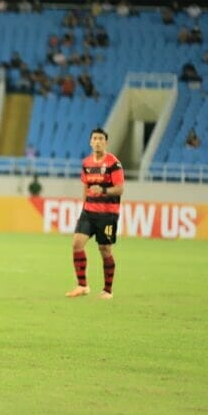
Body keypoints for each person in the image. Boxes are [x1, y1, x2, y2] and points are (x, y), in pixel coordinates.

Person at [66, 128, 124, 300]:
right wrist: (84, 206)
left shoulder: (114, 163)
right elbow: (85, 186)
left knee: (104, 249)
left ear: (106, 142)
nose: (97, 141)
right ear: (90, 142)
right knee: (77, 244)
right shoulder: (87, 163)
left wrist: (103, 189)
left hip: (108, 215)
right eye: (94, 138)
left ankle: (107, 290)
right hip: (89, 212)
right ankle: (82, 286)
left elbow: (120, 189)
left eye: (101, 139)